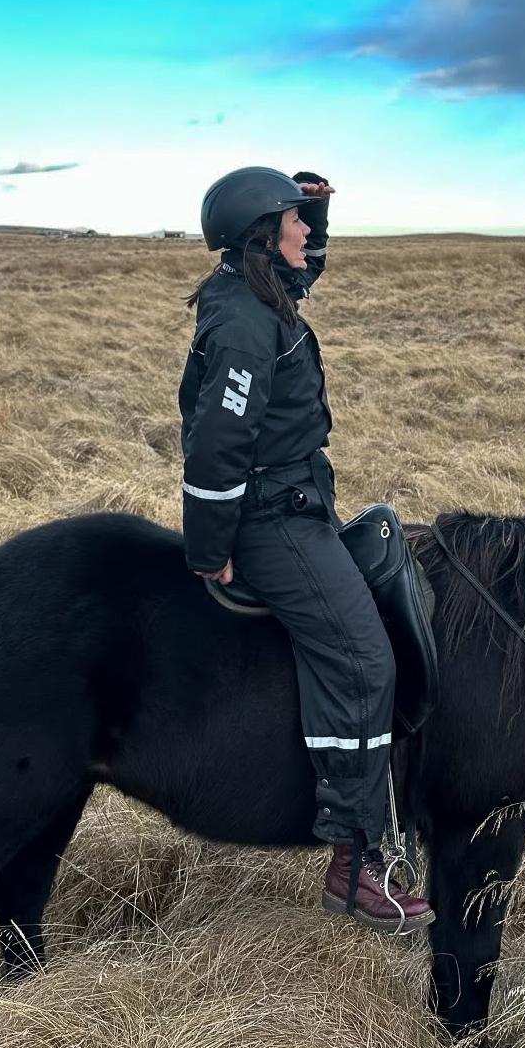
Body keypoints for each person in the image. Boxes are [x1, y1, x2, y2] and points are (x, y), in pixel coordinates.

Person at [177, 166, 433, 932]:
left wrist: (316, 211)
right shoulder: (245, 325)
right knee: (363, 659)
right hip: (270, 518)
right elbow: (219, 441)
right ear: (262, 235)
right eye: (291, 221)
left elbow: (306, 269)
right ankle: (357, 860)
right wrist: (211, 545)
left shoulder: (260, 289)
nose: (301, 234)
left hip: (300, 498)